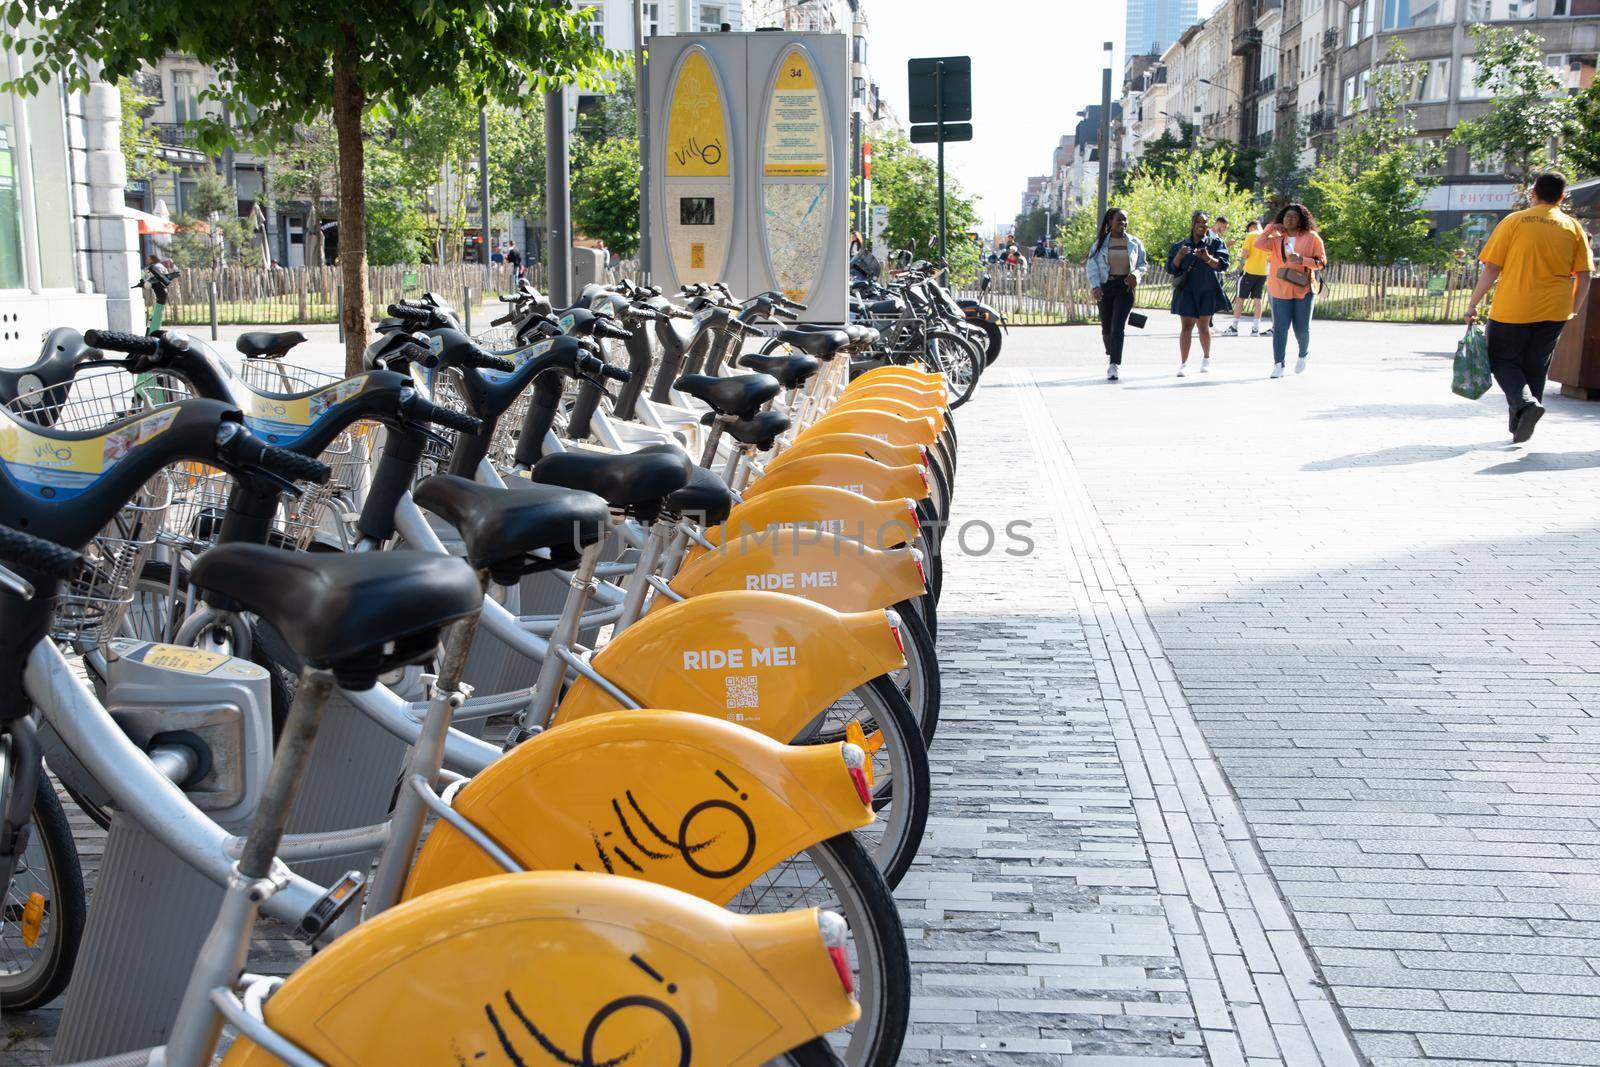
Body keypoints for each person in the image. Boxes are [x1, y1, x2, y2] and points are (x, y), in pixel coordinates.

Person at [1466, 172, 1595, 442]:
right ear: (1561, 197)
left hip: (1513, 306)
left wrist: (1473, 302)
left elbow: (1492, 267)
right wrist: (1573, 308)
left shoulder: (1514, 221)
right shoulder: (1572, 227)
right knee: (1536, 366)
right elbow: (1583, 274)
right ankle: (1521, 426)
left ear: (1533, 193)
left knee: (1502, 361)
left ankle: (1525, 406)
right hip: (1554, 310)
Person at [1256, 203, 1326, 378]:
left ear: (1301, 219)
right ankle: (1279, 364)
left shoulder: (1312, 237)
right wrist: (1271, 227)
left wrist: (1302, 259)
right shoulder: (1277, 238)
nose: (1289, 219)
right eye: (1287, 216)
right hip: (1279, 288)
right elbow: (1259, 243)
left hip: (1303, 288)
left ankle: (1303, 354)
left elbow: (1321, 262)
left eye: (1294, 216)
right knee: (1280, 327)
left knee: (1301, 329)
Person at [1086, 207, 1148, 382]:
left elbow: (1143, 264)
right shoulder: (1100, 244)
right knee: (1106, 328)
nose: (1123, 223)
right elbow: (1092, 266)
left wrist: (1135, 275)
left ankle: (1114, 365)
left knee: (1117, 327)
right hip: (1106, 287)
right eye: (1119, 220)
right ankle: (1111, 349)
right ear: (1110, 222)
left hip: (1125, 288)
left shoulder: (1135, 243)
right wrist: (1095, 286)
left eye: (1125, 220)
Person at [1168, 211, 1230, 376]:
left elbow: (1223, 265)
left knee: (1203, 327)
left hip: (1206, 289)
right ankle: (1183, 363)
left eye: (1205, 222)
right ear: (1192, 224)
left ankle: (1206, 358)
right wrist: (1179, 256)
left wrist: (1208, 258)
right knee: (1186, 326)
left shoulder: (1215, 243)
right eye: (1198, 222)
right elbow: (1171, 269)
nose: (1201, 225)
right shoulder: (1181, 245)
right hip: (1186, 290)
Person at [1222, 220, 1271, 336]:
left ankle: (1234, 327)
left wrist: (1246, 254)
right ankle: (1255, 328)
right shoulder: (1268, 236)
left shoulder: (1251, 235)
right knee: (1257, 300)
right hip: (1263, 272)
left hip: (1249, 271)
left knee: (1240, 299)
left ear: (1251, 228)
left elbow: (1245, 254)